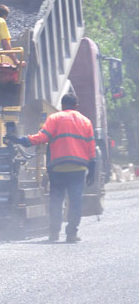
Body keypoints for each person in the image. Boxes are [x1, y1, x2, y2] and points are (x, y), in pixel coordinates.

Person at [7, 92, 96, 243]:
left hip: (58, 169)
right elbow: (91, 148)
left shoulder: (54, 118)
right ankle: (71, 234)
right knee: (75, 202)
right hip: (78, 170)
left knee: (56, 201)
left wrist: (20, 139)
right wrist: (92, 169)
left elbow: (41, 137)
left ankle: (54, 234)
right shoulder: (86, 121)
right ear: (76, 106)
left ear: (62, 105)